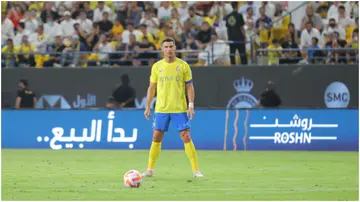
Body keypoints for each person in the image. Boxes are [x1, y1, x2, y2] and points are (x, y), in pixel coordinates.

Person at [142, 37, 203, 178]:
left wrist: (191, 105)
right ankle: (150, 169)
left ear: (175, 48)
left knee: (186, 136)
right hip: (161, 108)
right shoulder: (157, 67)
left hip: (179, 108)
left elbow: (189, 86)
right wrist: (147, 106)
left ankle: (196, 170)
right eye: (166, 47)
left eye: (171, 46)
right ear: (162, 49)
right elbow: (152, 87)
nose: (169, 49)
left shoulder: (183, 66)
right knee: (156, 136)